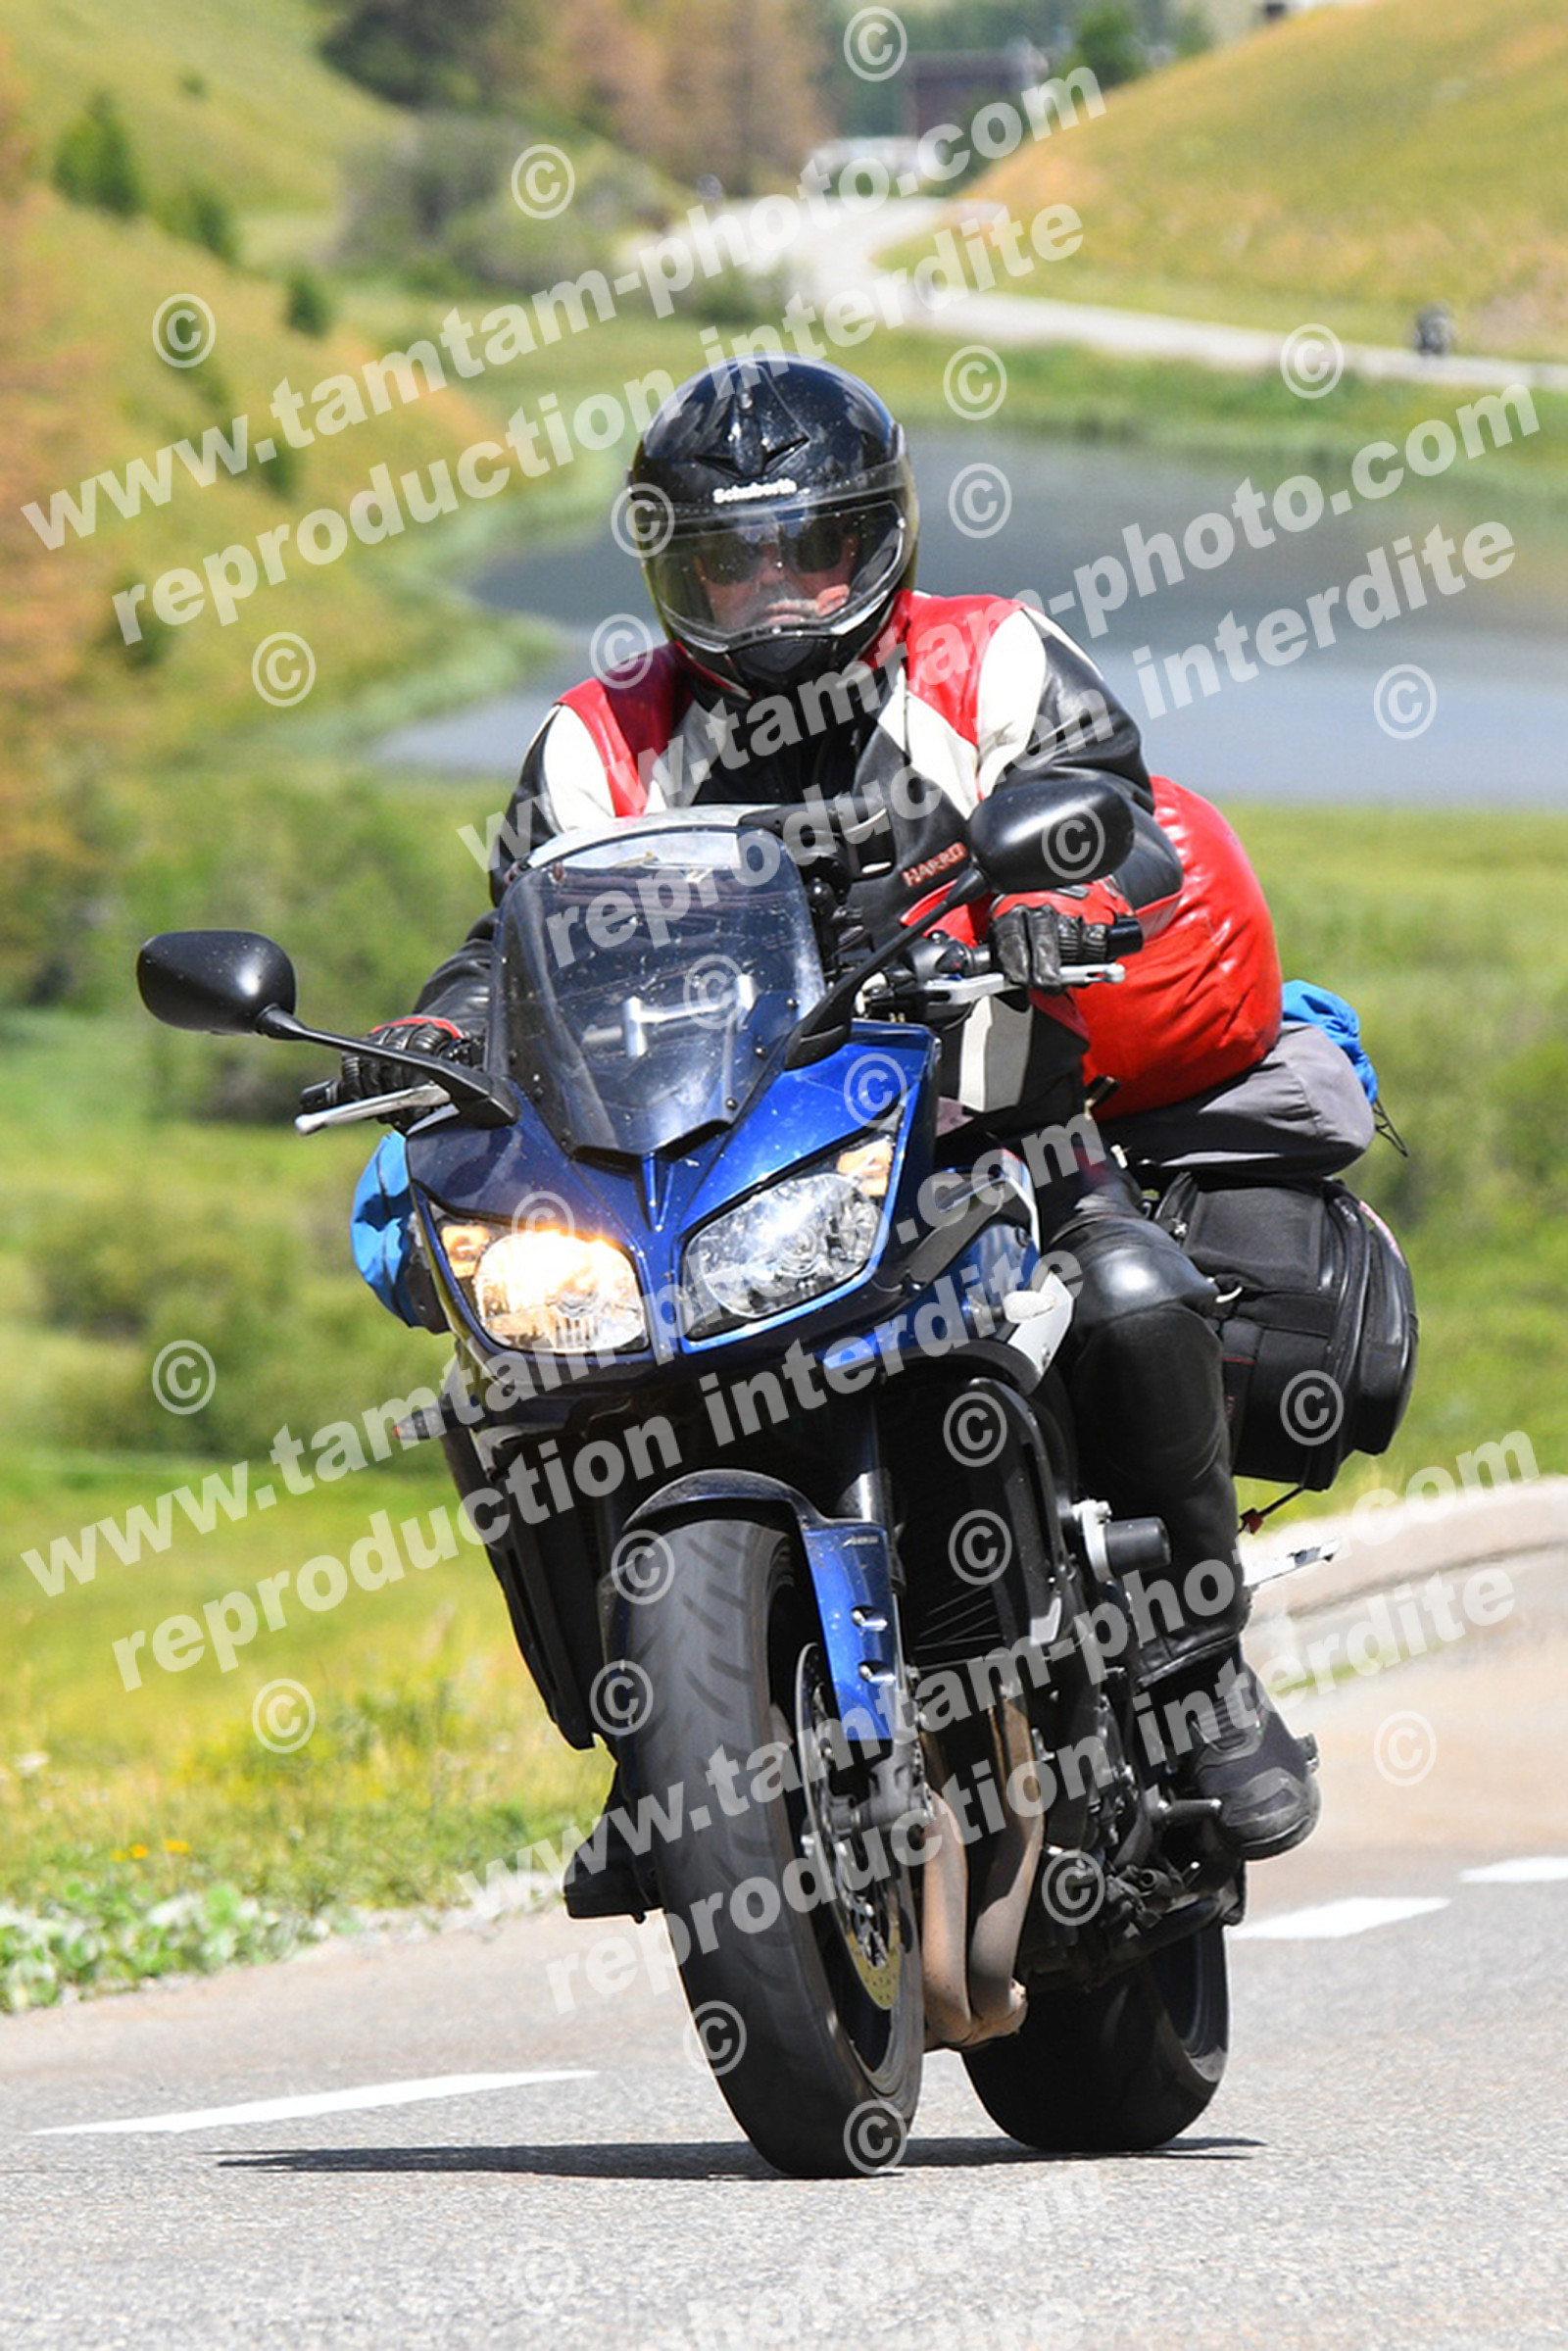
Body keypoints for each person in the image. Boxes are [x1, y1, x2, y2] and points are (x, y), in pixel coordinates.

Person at [340, 355, 1320, 1899]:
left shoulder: (989, 662)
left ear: (880, 538)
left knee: (1137, 1299)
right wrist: (440, 1030)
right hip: (714, 1174)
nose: (769, 595)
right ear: (672, 570)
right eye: (726, 565)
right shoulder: (600, 743)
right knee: (542, 1388)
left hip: (991, 1134)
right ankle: (670, 1750)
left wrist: (1063, 895)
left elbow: (1115, 810)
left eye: (807, 551)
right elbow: (513, 935)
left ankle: (1200, 1677)